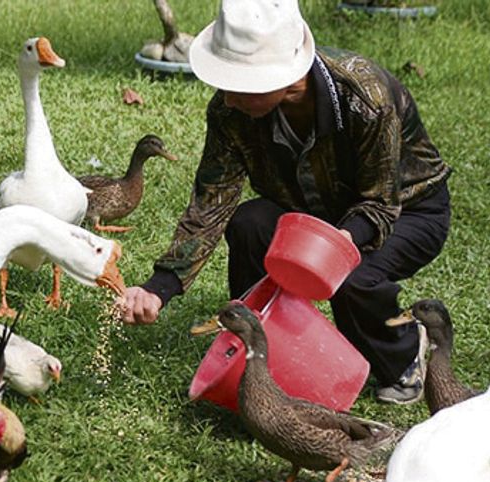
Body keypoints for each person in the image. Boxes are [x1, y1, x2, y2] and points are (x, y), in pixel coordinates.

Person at [120, 0, 451, 405]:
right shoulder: (231, 112)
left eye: (236, 83)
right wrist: (160, 287)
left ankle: (402, 353)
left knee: (351, 277)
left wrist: (327, 249)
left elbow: (380, 205)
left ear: (282, 78)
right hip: (315, 209)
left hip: (408, 210)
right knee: (250, 222)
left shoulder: (365, 96)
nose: (225, 96)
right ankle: (260, 350)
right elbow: (212, 202)